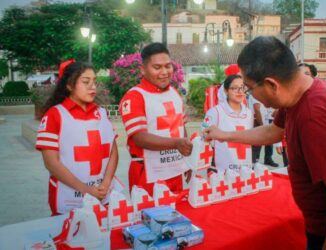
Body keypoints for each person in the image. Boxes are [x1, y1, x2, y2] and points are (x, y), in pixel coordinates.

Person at [204, 36, 326, 249]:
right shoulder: (298, 92)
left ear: (271, 84)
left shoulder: (313, 115)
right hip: (323, 222)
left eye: (249, 89)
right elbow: (273, 131)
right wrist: (224, 135)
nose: (249, 96)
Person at [35, 61, 118, 215]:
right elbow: (51, 163)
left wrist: (106, 183)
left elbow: (112, 150)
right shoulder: (55, 115)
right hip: (69, 199)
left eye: (94, 81)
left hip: (103, 195)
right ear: (69, 85)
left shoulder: (102, 113)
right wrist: (87, 190)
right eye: (86, 82)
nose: (92, 86)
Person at [119, 43, 192, 196]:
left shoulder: (174, 93)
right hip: (147, 174)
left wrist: (188, 160)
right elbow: (139, 137)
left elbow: (181, 128)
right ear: (143, 69)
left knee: (179, 216)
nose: (164, 72)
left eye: (168, 66)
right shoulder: (134, 96)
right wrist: (177, 144)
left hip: (175, 171)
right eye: (157, 67)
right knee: (150, 217)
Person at [203, 74, 253, 172]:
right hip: (222, 172)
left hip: (245, 171)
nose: (240, 91)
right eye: (234, 88)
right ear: (226, 91)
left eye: (242, 88)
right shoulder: (215, 112)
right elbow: (205, 138)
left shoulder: (249, 113)